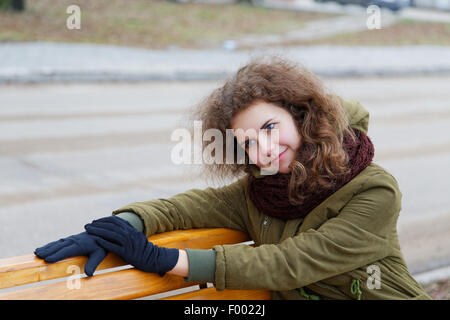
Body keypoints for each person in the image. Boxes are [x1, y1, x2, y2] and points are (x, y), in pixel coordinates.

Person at [35, 56, 431, 300]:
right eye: (248, 143)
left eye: (270, 127)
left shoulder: (374, 189)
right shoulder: (262, 192)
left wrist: (164, 259)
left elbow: (292, 263)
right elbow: (185, 207)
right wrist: (117, 227)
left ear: (303, 115)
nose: (263, 149)